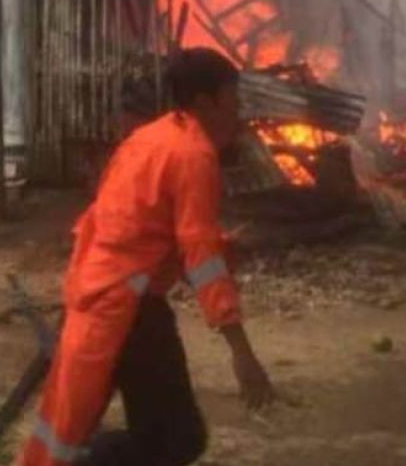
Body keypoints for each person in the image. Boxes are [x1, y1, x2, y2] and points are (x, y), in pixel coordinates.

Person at [19, 47, 273, 466]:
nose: (239, 113)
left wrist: (216, 248)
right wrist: (241, 352)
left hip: (96, 297)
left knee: (77, 429)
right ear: (204, 102)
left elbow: (129, 226)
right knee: (176, 440)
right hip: (131, 311)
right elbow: (201, 256)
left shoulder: (151, 139)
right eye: (233, 100)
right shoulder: (195, 156)